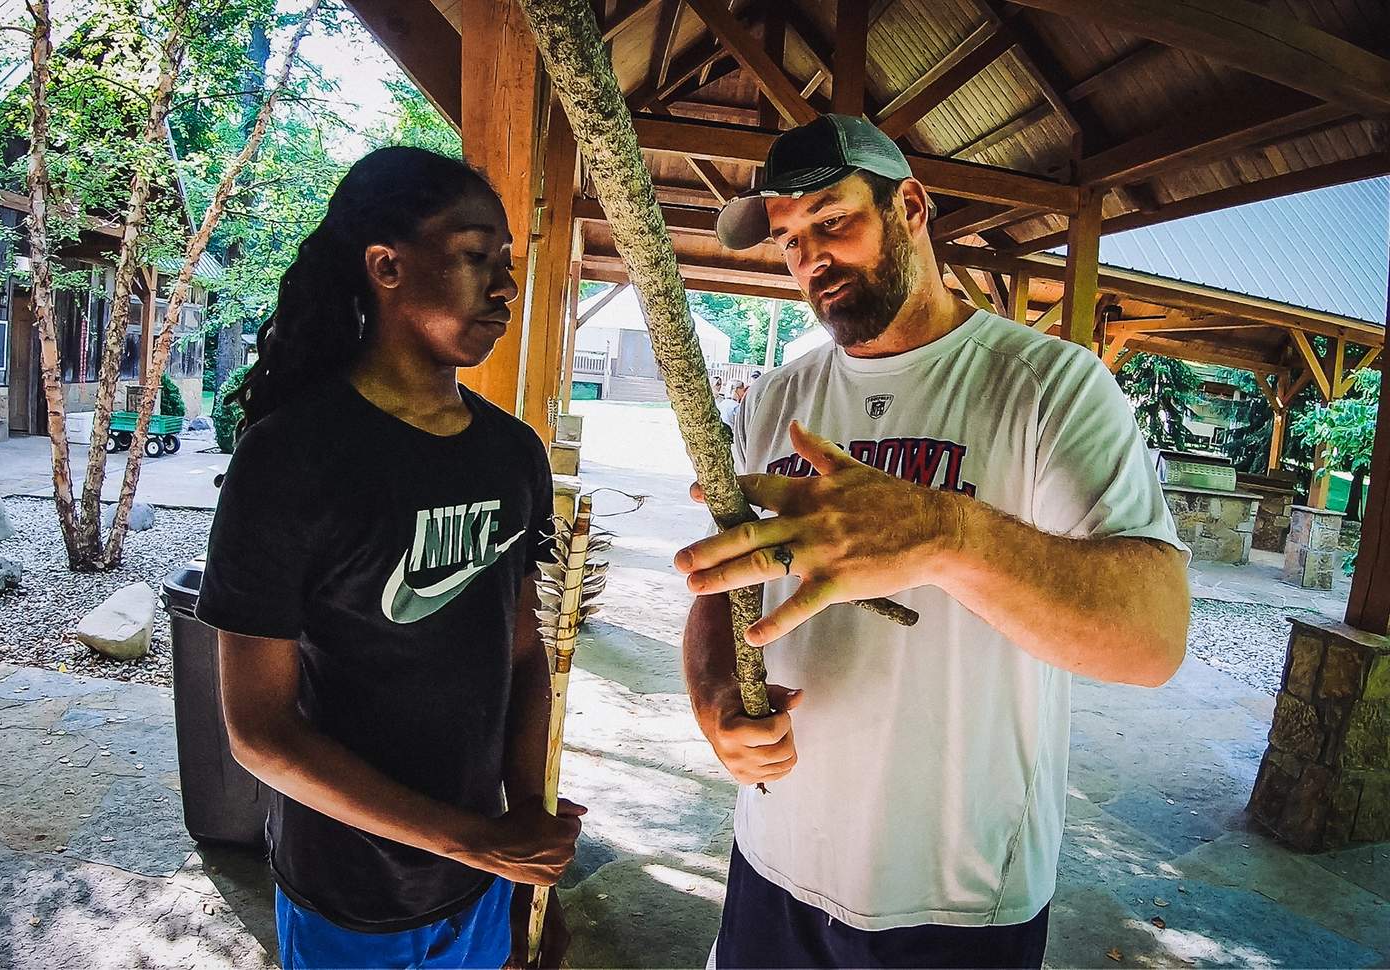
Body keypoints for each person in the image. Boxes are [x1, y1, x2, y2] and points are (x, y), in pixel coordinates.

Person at [675, 114, 1190, 969]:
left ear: (911, 206)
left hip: (958, 896)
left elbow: (1153, 639)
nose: (811, 260)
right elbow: (725, 582)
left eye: (832, 220)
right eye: (791, 240)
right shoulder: (775, 399)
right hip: (774, 855)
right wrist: (712, 698)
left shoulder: (1049, 388)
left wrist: (948, 534)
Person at [195, 147, 584, 970]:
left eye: (507, 262)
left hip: (479, 885)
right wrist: (479, 841)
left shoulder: (515, 456)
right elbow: (259, 733)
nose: (505, 284)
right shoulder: (291, 458)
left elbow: (523, 655)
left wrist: (525, 838)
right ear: (387, 266)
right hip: (349, 890)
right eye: (477, 256)